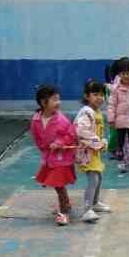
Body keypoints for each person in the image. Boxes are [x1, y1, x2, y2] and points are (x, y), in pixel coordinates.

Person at [30, 84, 77, 226]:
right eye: (55, 99)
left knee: (59, 184)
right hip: (49, 158)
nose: (59, 102)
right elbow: (36, 137)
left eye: (59, 99)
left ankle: (64, 212)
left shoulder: (61, 120)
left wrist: (59, 143)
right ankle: (66, 204)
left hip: (61, 158)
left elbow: (71, 135)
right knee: (58, 186)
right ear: (43, 102)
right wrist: (44, 149)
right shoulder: (36, 120)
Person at [74, 79, 111, 222]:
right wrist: (98, 142)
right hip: (86, 152)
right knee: (93, 179)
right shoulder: (86, 112)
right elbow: (81, 131)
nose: (99, 97)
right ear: (86, 96)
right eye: (95, 94)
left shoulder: (96, 111)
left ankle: (95, 203)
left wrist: (101, 141)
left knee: (98, 177)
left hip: (94, 151)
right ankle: (87, 209)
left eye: (101, 94)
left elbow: (97, 130)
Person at [107, 58, 129, 173]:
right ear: (119, 75)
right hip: (120, 122)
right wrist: (111, 119)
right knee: (120, 143)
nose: (126, 76)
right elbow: (111, 105)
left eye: (128, 73)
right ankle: (121, 162)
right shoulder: (116, 89)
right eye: (123, 74)